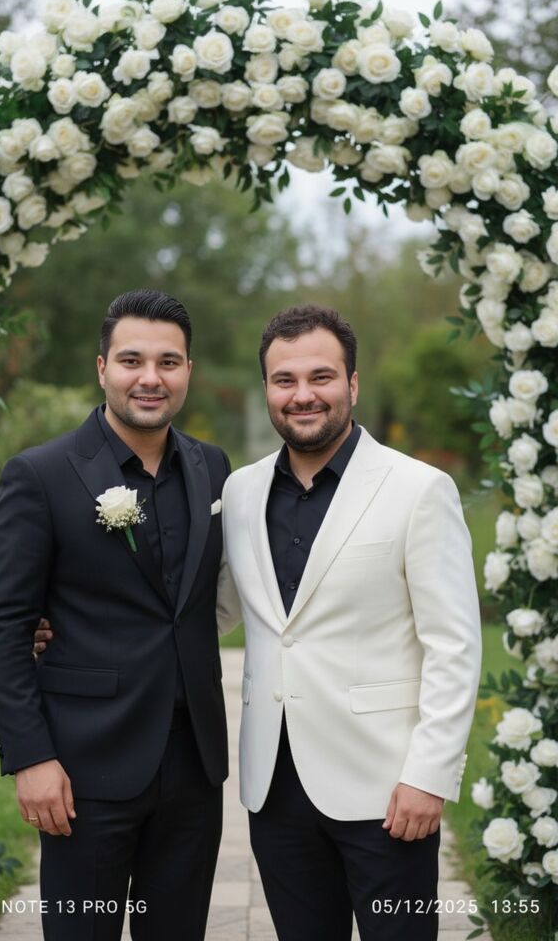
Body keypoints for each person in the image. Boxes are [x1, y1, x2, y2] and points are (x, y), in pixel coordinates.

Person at [216, 305, 482, 941]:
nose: (302, 394)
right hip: (274, 786)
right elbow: (215, 611)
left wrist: (428, 777)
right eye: (285, 380)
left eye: (321, 377)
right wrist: (72, 621)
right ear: (267, 389)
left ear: (353, 384)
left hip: (386, 789)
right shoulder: (241, 493)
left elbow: (453, 646)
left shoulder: (419, 489)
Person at [0, 289, 230, 941]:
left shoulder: (211, 468)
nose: (151, 378)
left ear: (188, 370)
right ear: (102, 368)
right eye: (131, 360)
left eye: (168, 362)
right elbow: (4, 625)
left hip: (194, 767)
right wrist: (30, 758)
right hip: (83, 769)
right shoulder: (40, 475)